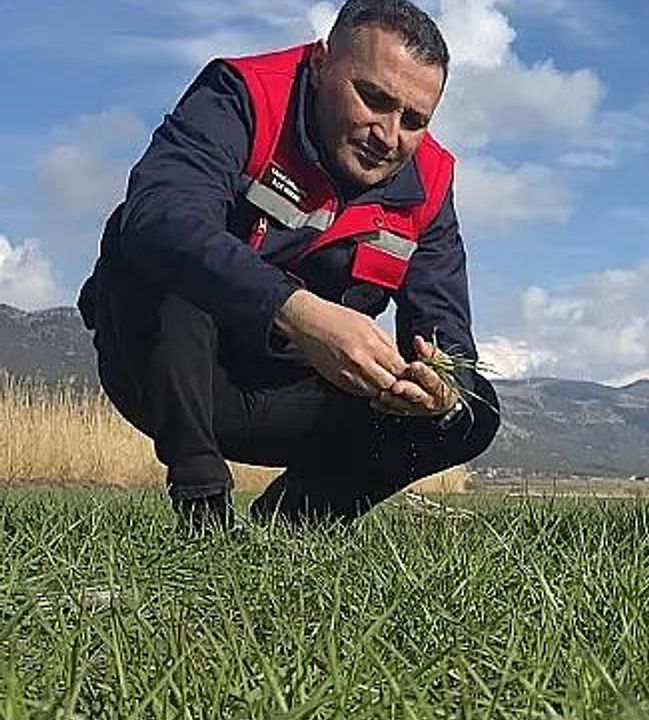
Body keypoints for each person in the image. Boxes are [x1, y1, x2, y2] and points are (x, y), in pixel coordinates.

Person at [77, 0, 499, 531]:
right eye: (373, 99)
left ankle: (294, 523)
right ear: (321, 64)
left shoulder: (431, 181)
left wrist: (437, 388)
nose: (389, 136)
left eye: (414, 121)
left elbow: (446, 332)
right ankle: (203, 511)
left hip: (300, 398)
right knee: (161, 250)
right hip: (172, 373)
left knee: (473, 409)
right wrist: (295, 311)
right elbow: (159, 216)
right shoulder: (243, 96)